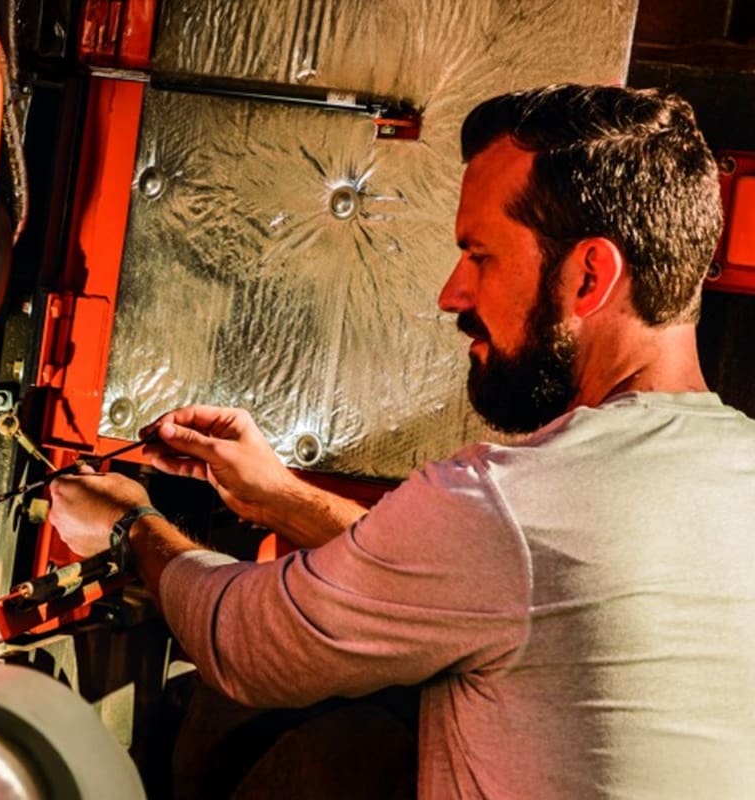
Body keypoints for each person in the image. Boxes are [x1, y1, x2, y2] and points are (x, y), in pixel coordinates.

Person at [48, 84, 755, 798]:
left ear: (590, 275)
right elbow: (495, 586)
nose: (452, 293)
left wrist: (129, 525)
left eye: (479, 256)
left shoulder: (516, 503)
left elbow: (244, 641)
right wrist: (279, 497)